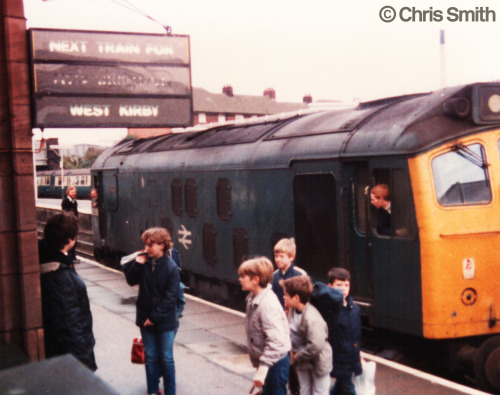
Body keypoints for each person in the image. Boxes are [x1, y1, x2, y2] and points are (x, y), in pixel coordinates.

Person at [123, 227, 180, 395]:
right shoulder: (144, 262)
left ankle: (170, 392)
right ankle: (153, 391)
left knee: (166, 358)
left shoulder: (171, 267)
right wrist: (137, 265)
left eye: (150, 245)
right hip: (145, 318)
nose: (146, 248)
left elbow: (171, 298)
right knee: (150, 357)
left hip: (164, 322)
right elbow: (131, 280)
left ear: (162, 245)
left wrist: (154, 318)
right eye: (145, 245)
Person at [38, 212, 97, 371]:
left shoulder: (47, 258)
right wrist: (86, 365)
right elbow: (69, 325)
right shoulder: (60, 276)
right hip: (70, 358)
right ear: (71, 240)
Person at [238, 257, 291, 395]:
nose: (240, 279)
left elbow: (276, 341)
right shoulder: (253, 298)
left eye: (243, 276)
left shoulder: (267, 305)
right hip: (269, 362)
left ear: (255, 280)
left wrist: (263, 369)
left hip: (275, 364)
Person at [281, 276, 332, 395]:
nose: (283, 297)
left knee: (319, 392)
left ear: (296, 298)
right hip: (303, 362)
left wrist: (298, 355)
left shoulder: (311, 318)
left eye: (286, 295)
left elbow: (316, 345)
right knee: (304, 391)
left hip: (318, 362)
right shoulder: (291, 310)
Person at [327, 268, 362, 395]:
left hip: (351, 357)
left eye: (346, 285)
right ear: (330, 286)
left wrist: (359, 354)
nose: (343, 288)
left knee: (340, 388)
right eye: (339, 285)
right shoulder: (329, 309)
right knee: (349, 389)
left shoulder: (354, 308)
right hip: (338, 358)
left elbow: (357, 335)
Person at [271, 238, 306, 309]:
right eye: (276, 256)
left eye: (281, 256)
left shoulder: (299, 275)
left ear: (292, 257)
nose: (278, 259)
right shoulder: (274, 276)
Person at [61, 186, 79, 263]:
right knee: (70, 240)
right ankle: (70, 257)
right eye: (72, 192)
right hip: (68, 223)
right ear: (68, 192)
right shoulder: (65, 201)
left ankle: (73, 256)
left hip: (73, 223)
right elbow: (65, 212)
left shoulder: (74, 202)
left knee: (74, 240)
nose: (74, 193)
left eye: (75, 192)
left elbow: (75, 212)